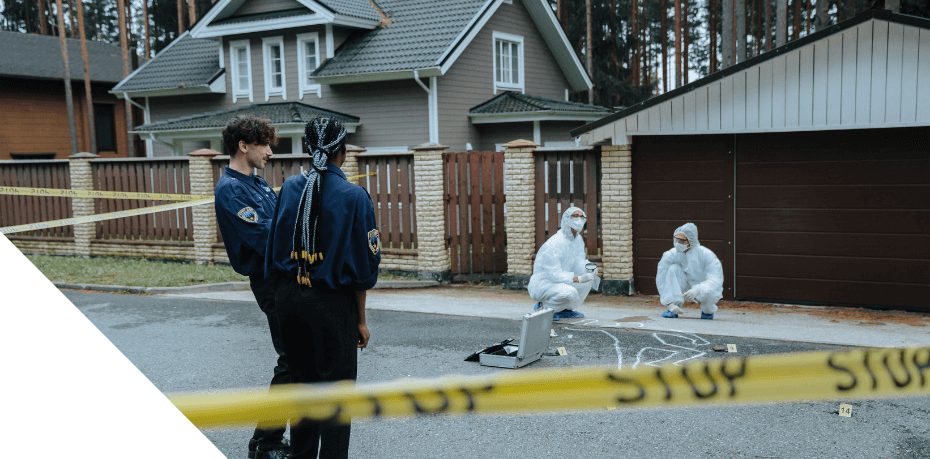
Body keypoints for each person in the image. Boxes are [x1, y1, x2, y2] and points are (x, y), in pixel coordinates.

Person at [265, 117, 380, 459]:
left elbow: (273, 251)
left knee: (301, 388)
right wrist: (360, 320)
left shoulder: (288, 187)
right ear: (342, 152)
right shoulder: (354, 196)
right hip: (332, 305)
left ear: (307, 149)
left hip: (290, 300)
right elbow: (362, 269)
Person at [214, 115, 291, 459]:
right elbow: (266, 236)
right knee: (291, 360)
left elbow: (280, 223)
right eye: (265, 144)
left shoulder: (257, 184)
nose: (271, 151)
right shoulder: (230, 190)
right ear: (244, 146)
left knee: (297, 359)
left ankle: (273, 438)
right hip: (269, 281)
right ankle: (265, 443)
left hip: (284, 277)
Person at [527, 206, 599, 321]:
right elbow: (554, 274)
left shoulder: (578, 240)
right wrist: (578, 279)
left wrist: (590, 268)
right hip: (544, 283)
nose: (579, 220)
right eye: (575, 216)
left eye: (582, 217)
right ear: (566, 219)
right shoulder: (555, 243)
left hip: (561, 280)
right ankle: (544, 307)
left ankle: (564, 309)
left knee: (589, 275)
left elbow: (579, 262)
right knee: (569, 293)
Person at [656, 222, 723, 320]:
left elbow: (715, 279)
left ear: (691, 241)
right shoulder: (672, 254)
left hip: (703, 287)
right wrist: (669, 303)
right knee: (673, 268)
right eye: (676, 239)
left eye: (682, 240)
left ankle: (707, 311)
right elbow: (661, 277)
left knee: (710, 291)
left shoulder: (706, 254)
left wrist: (698, 289)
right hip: (686, 285)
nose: (678, 243)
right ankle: (674, 308)